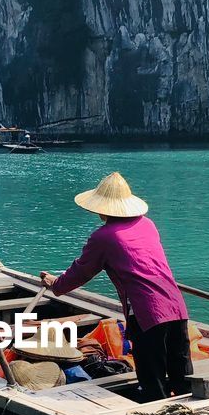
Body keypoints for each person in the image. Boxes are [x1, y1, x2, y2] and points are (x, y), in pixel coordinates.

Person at [41, 172, 191, 402]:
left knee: (153, 380)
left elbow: (81, 271)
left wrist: (55, 284)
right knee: (182, 375)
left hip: (146, 311)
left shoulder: (104, 237)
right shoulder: (148, 224)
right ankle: (192, 411)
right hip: (176, 306)